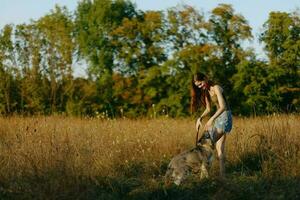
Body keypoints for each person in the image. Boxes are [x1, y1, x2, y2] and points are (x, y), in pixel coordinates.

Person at [191, 72, 232, 177]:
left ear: (205, 78)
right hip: (218, 118)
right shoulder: (206, 92)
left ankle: (204, 178)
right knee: (220, 150)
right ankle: (223, 178)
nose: (200, 87)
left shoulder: (216, 87)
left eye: (200, 84)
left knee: (204, 145)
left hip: (225, 117)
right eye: (198, 86)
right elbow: (208, 109)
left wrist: (211, 120)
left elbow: (222, 107)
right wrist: (199, 118)